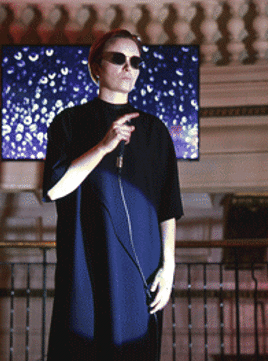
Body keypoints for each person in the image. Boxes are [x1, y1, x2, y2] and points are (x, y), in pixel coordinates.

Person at [43, 29, 184, 360]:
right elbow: (55, 187)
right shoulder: (69, 122)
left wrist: (169, 267)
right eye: (118, 59)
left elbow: (168, 206)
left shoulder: (155, 131)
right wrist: (103, 147)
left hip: (140, 269)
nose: (128, 68)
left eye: (135, 61)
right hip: (84, 265)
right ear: (95, 67)